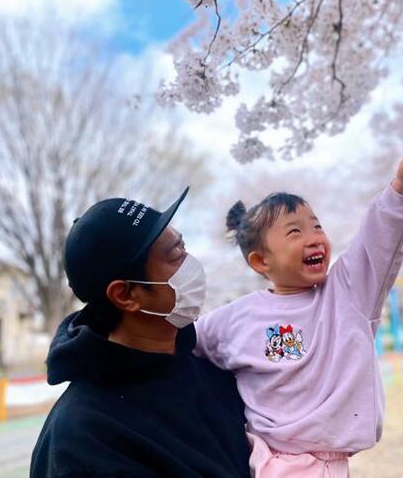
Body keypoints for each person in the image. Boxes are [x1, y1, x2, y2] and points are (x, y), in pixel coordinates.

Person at [194, 124, 403, 477]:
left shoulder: (348, 295)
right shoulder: (233, 318)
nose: (313, 238)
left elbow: (376, 248)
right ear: (261, 262)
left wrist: (398, 190)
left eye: (317, 226)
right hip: (259, 461)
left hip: (323, 465)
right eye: (295, 231)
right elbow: (181, 343)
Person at [30, 188, 251, 478]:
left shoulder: (212, 368)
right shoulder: (84, 434)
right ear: (125, 295)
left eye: (184, 246)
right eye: (175, 256)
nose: (192, 265)